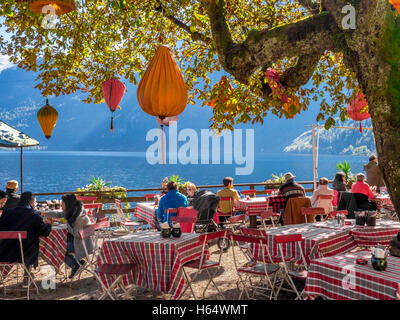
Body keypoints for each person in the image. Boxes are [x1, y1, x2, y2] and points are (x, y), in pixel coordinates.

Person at [0, 192, 51, 284]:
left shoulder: (7, 212)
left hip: (5, 253)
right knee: (28, 244)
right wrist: (48, 224)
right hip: (25, 255)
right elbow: (45, 233)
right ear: (31, 203)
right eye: (35, 202)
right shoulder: (35, 215)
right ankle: (27, 275)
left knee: (24, 243)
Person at [42, 194, 94, 278]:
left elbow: (77, 234)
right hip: (77, 240)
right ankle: (74, 264)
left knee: (58, 248)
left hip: (82, 244)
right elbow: (60, 214)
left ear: (68, 204)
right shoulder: (74, 211)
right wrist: (46, 213)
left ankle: (75, 265)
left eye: (62, 204)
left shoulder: (79, 217)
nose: (61, 205)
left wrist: (67, 226)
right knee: (59, 244)